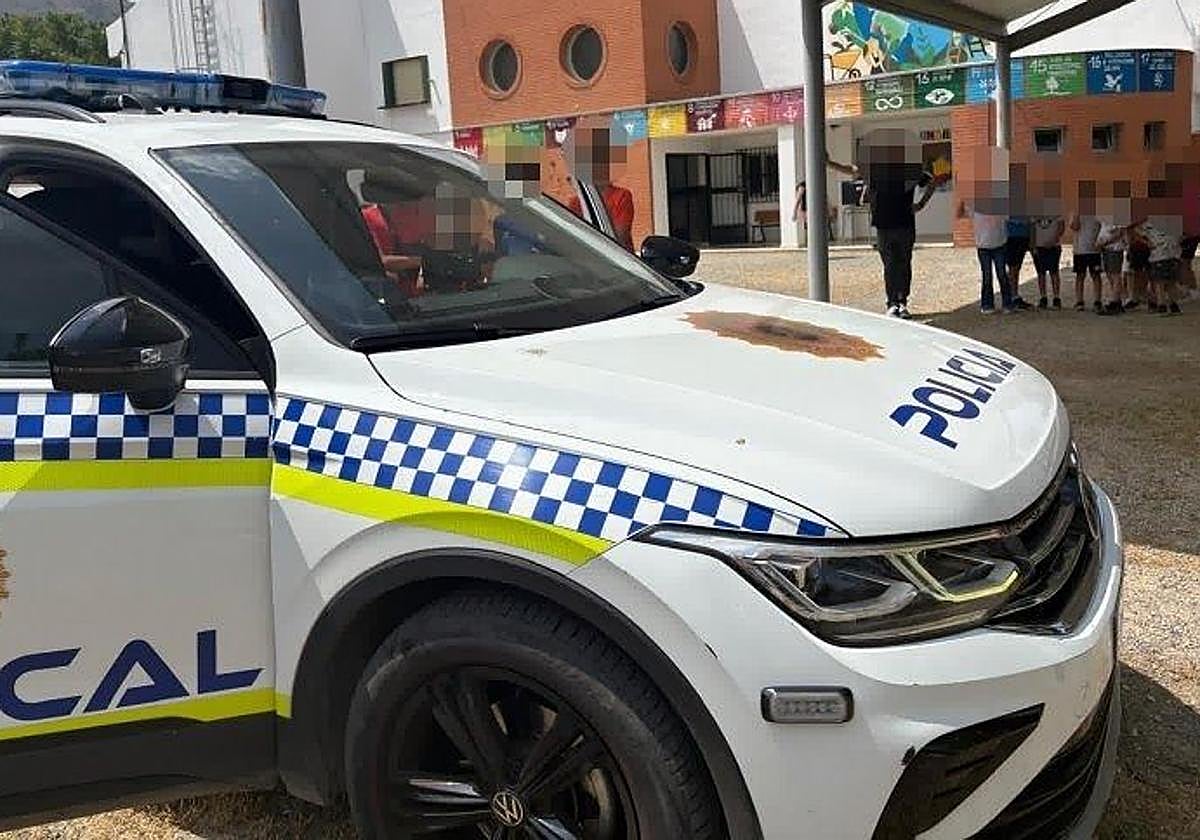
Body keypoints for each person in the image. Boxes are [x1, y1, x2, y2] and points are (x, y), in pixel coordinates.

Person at [828, 131, 937, 319]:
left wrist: (921, 204)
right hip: (884, 225)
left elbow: (932, 182)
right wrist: (830, 163)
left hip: (904, 224)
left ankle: (902, 303)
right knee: (889, 265)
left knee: (903, 264)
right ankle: (892, 303)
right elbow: (851, 169)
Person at [1068, 194, 1103, 312]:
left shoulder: (1098, 213)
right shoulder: (1075, 213)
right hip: (1080, 250)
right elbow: (1074, 227)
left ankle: (1097, 301)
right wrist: (1077, 214)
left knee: (1096, 275)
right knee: (1080, 276)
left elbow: (1102, 228)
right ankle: (1079, 301)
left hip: (1094, 249)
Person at [1031, 210, 1065, 310]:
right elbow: (1032, 228)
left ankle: (1056, 297)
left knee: (1054, 272)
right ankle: (1043, 297)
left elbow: (1061, 226)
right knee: (1040, 273)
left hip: (1054, 246)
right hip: (1039, 246)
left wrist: (1054, 240)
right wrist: (1033, 246)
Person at [1096, 219, 1127, 316]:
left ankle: (1114, 302)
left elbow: (1120, 232)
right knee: (1110, 274)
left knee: (1115, 275)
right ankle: (1117, 299)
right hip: (1106, 248)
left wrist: (1105, 241)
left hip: (1114, 248)